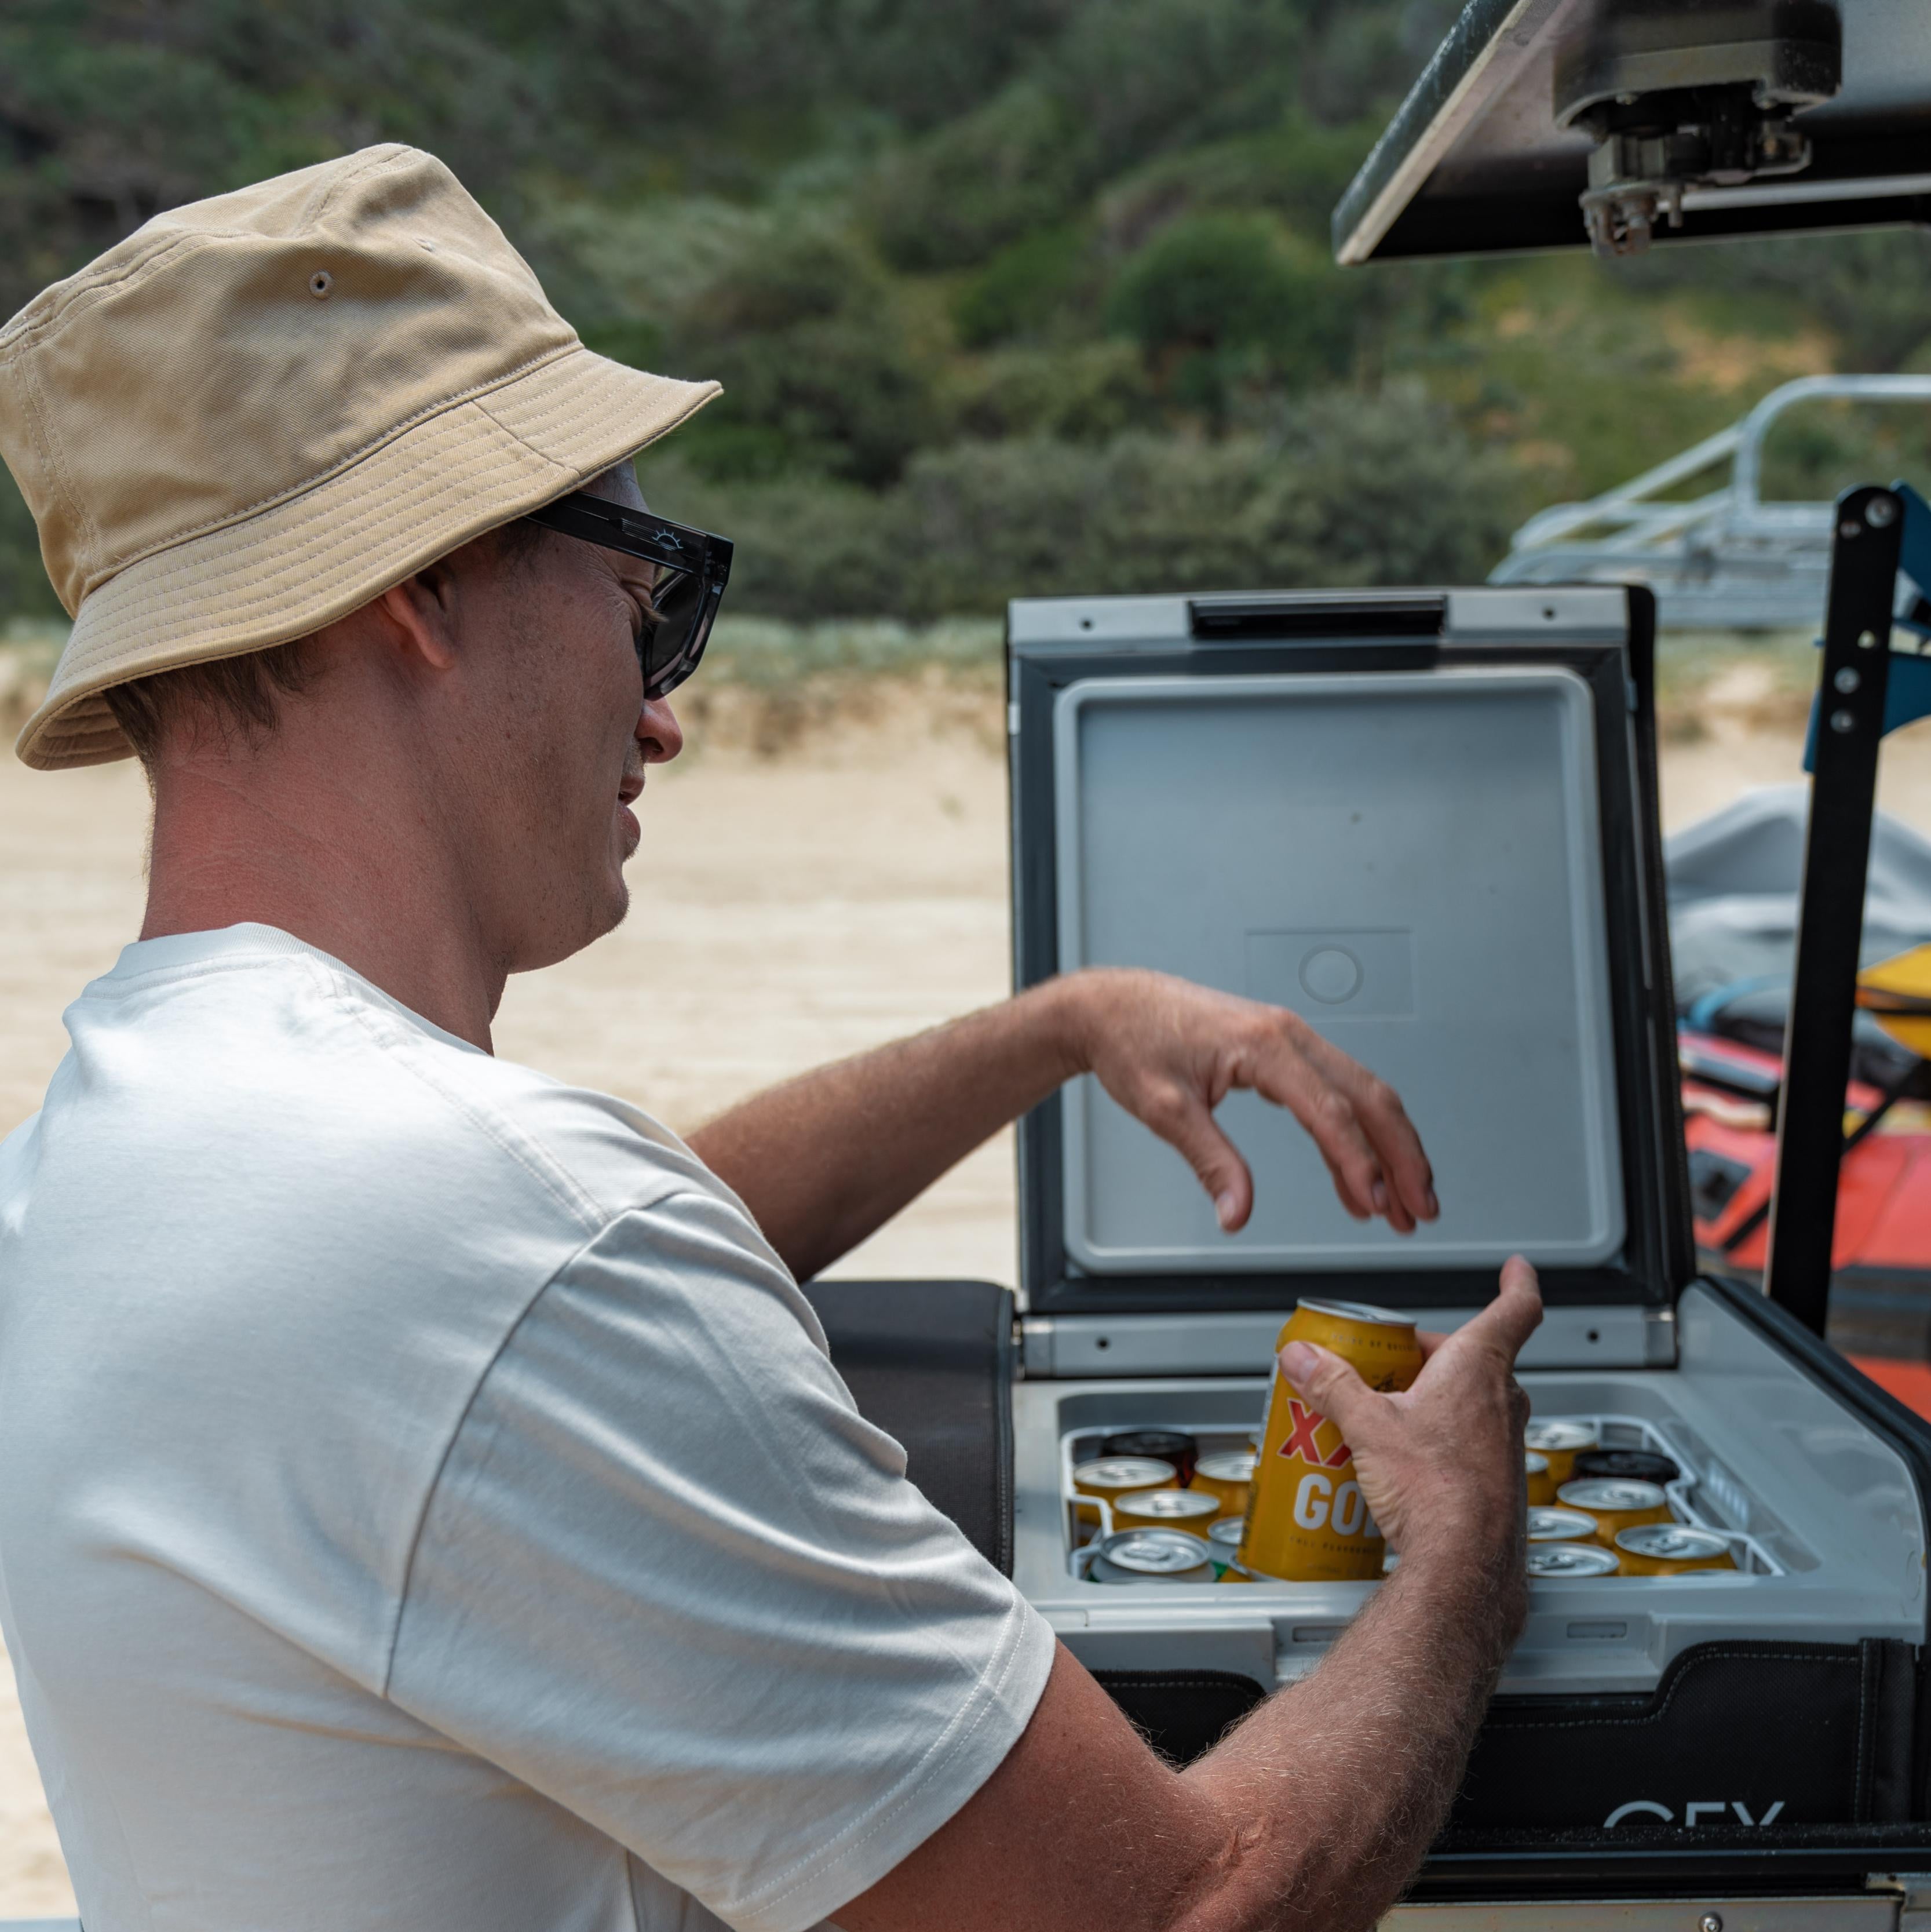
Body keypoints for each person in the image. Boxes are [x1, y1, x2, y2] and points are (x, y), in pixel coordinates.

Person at [0, 145, 1541, 1932]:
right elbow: (1188, 1913)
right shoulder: (495, 1244)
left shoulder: (114, 1152)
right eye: (647, 591)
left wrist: (1058, 1029)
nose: (662, 715)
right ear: (415, 584)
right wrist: (1461, 1558)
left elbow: (586, 1273)